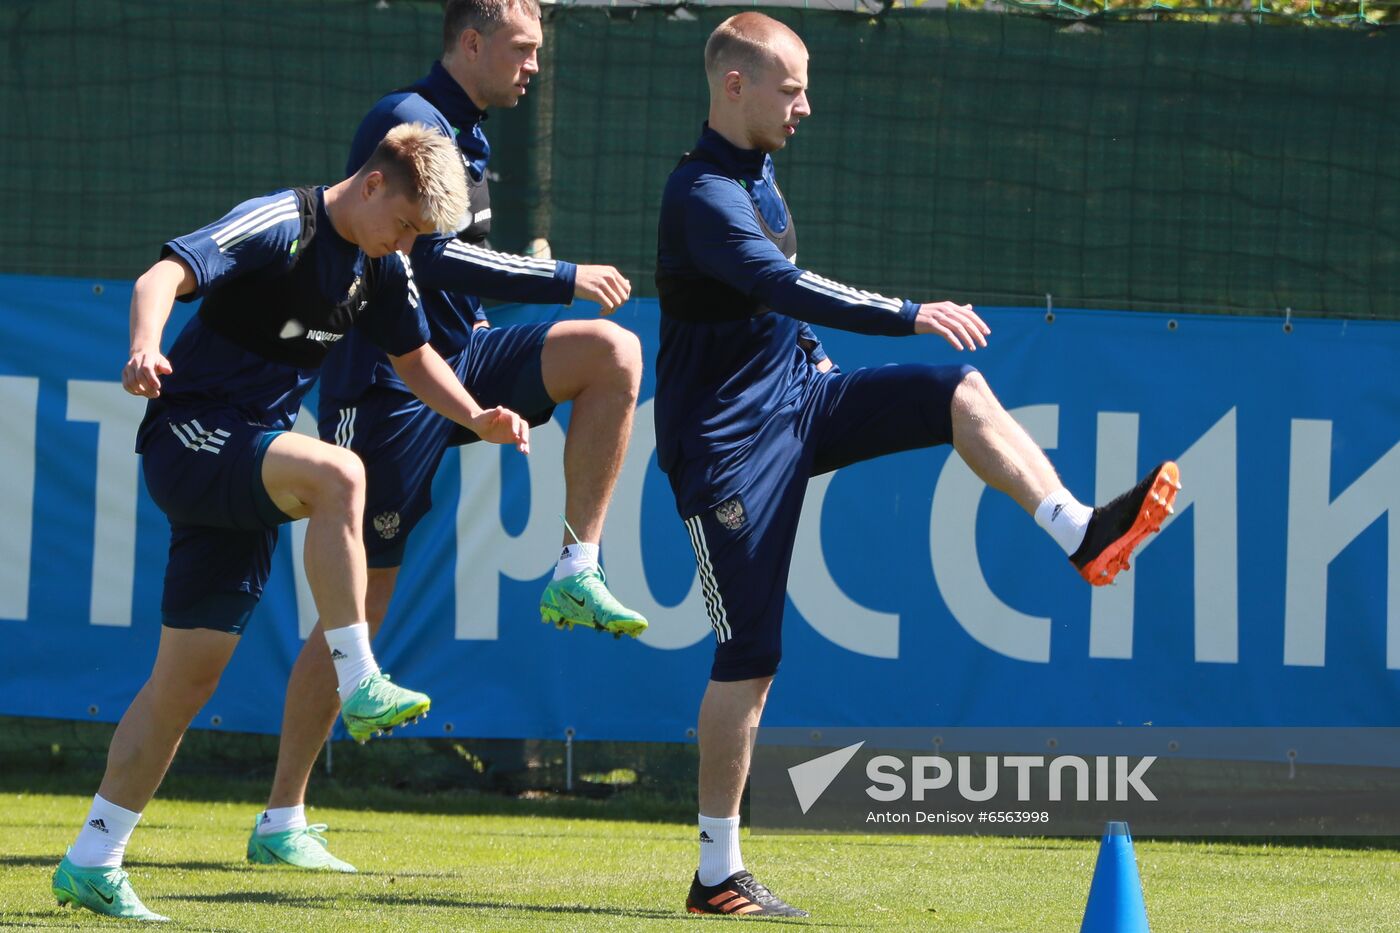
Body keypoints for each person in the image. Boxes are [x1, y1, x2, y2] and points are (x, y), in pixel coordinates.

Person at [654, 13, 1182, 918]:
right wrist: (907, 312)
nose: (805, 107)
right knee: (750, 656)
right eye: (791, 90)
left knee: (957, 390)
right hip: (727, 450)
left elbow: (774, 307)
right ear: (734, 85)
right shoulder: (701, 193)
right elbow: (779, 282)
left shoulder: (761, 173)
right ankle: (716, 872)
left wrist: (810, 354)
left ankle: (1081, 531)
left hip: (801, 402)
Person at [51, 123, 531, 922]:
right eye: (404, 224)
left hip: (245, 463)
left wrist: (476, 415)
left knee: (184, 683)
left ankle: (91, 859)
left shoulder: (382, 265)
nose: (405, 243)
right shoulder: (282, 223)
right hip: (190, 436)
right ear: (372, 184)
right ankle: (359, 676)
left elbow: (414, 359)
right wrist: (142, 347)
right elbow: (161, 274)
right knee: (341, 472)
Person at [244, 0, 648, 874]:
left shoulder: (471, 132)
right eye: (522, 48)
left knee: (613, 354)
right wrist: (561, 275)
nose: (534, 65)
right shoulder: (408, 120)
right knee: (362, 608)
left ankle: (577, 568)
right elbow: (424, 258)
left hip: (466, 356)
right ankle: (282, 815)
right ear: (471, 42)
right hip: (387, 381)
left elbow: (454, 275)